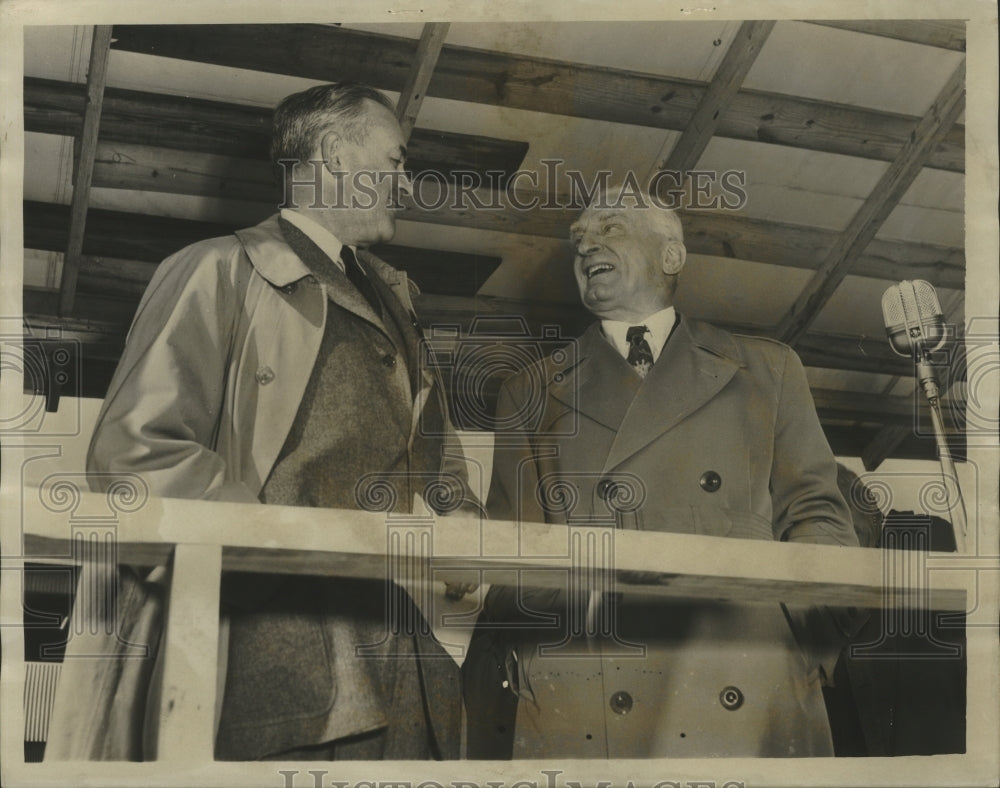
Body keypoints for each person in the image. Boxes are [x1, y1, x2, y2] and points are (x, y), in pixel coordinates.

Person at [87, 83, 480, 760]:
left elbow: (433, 460)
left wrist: (462, 517)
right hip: (268, 657)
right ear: (333, 153)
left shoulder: (398, 307)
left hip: (400, 663)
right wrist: (270, 548)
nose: (404, 183)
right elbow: (136, 453)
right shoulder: (216, 270)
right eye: (392, 161)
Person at [463, 189, 861, 759]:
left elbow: (817, 513)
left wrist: (806, 638)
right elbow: (516, 546)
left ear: (672, 256)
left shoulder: (768, 368)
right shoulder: (528, 390)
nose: (587, 245)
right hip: (589, 673)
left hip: (742, 663)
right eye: (579, 238)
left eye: (611, 228)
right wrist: (536, 660)